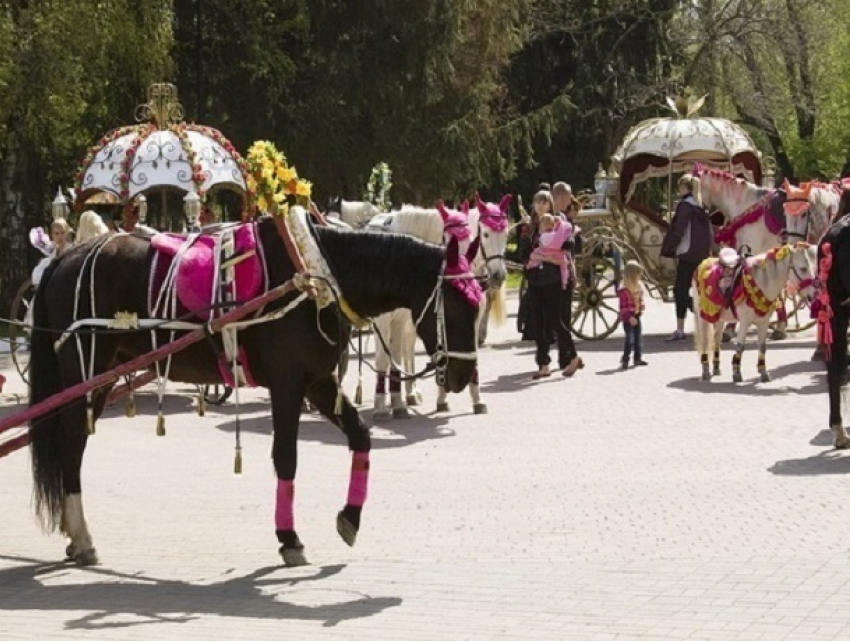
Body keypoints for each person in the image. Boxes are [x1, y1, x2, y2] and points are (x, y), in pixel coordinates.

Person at [521, 190, 583, 379]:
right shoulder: (528, 227)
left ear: (550, 205)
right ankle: (543, 363)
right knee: (538, 321)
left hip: (553, 278)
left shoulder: (559, 223)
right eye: (537, 202)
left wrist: (557, 252)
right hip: (534, 278)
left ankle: (572, 356)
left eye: (544, 202)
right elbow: (523, 253)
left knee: (555, 319)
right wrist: (539, 256)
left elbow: (571, 244)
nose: (541, 205)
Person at [660, 173, 712, 341]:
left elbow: (679, 229)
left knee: (680, 290)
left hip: (687, 253)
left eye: (680, 187)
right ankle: (702, 318)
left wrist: (669, 248)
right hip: (701, 254)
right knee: (699, 290)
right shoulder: (701, 206)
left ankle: (685, 324)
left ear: (685, 188)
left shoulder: (685, 206)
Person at [526, 213, 573, 289]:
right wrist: (549, 259)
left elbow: (567, 230)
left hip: (553, 262)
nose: (549, 226)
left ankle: (564, 282)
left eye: (550, 224)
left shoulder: (555, 235)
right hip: (547, 261)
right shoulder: (548, 235)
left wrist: (558, 221)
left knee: (564, 266)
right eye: (546, 224)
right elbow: (531, 255)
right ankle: (564, 282)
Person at [618, 260, 647, 369]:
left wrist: (642, 304)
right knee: (630, 340)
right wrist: (629, 317)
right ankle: (625, 359)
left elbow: (640, 299)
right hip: (628, 319)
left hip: (637, 316)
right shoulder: (624, 291)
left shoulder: (638, 288)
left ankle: (637, 358)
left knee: (638, 339)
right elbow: (623, 308)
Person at [31, 218, 72, 287]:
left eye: (62, 233)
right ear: (52, 235)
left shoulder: (71, 250)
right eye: (57, 234)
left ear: (66, 234)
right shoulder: (52, 251)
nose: (60, 236)